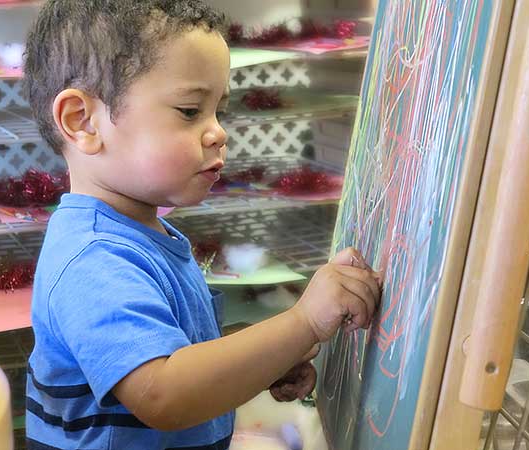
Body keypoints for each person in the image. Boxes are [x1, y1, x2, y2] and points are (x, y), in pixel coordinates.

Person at [23, 1, 383, 449]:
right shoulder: (93, 259)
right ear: (83, 121)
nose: (218, 133)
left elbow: (181, 356)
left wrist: (267, 359)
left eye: (219, 111)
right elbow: (164, 393)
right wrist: (303, 323)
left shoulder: (143, 236)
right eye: (190, 111)